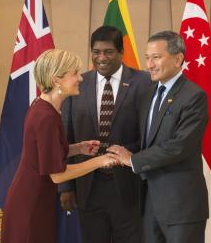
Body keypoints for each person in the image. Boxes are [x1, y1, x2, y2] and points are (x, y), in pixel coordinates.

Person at [1, 49, 117, 243]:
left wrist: (77, 148)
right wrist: (100, 160)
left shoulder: (43, 106)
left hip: (34, 197)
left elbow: (44, 152)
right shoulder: (46, 117)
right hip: (31, 203)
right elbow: (58, 174)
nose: (80, 78)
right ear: (56, 80)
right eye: (74, 73)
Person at [108, 31, 209, 243]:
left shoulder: (194, 96)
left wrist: (133, 160)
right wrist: (118, 152)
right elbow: (149, 141)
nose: (149, 65)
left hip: (181, 207)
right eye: (147, 57)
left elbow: (179, 146)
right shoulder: (149, 93)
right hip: (150, 204)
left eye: (156, 57)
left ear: (178, 58)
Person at [59, 26, 151, 243]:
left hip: (129, 186)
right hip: (87, 187)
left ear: (121, 52)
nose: (101, 58)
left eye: (108, 52)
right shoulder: (78, 84)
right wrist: (65, 187)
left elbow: (150, 135)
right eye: (96, 52)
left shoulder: (144, 82)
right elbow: (66, 137)